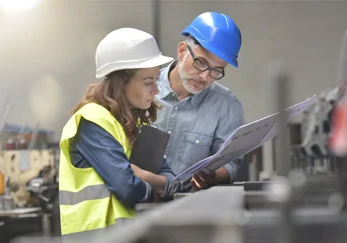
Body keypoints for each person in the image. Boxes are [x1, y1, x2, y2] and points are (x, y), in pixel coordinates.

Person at [58, 28, 178, 237]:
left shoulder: (130, 124)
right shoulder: (92, 121)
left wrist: (150, 179)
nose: (156, 91)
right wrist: (157, 191)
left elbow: (172, 180)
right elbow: (128, 188)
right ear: (121, 82)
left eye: (156, 81)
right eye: (148, 82)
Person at [153, 12, 245, 192]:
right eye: (201, 63)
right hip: (133, 208)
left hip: (188, 211)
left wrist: (214, 176)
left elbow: (232, 162)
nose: (205, 77)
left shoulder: (227, 106)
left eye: (216, 70)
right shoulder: (144, 87)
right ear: (181, 51)